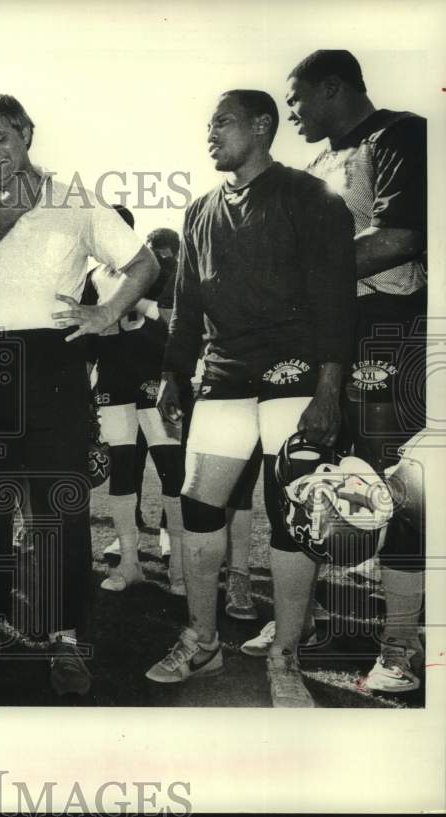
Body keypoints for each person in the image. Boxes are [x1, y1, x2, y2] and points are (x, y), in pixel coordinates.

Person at [0, 93, 159, 696]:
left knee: (60, 509)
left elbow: (145, 262)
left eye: (0, 139)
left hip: (51, 364)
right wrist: (11, 206)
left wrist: (107, 311)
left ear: (28, 133)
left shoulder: (77, 199)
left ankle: (66, 638)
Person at [146, 90, 356, 708]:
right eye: (208, 122)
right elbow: (187, 305)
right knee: (199, 507)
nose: (211, 132)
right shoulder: (200, 210)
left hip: (295, 371)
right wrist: (171, 374)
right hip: (226, 375)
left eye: (224, 122)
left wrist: (328, 386)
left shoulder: (309, 197)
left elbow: (336, 299)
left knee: (292, 513)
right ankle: (203, 640)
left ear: (263, 126)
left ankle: (286, 656)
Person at [282, 49, 427, 691]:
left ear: (333, 87)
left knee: (396, 488)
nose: (291, 113)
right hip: (328, 334)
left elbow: (399, 237)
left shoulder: (400, 133)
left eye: (297, 99)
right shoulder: (314, 163)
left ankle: (400, 647)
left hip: (388, 328)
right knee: (317, 480)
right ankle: (323, 625)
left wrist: (299, 281)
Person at [86, 221, 186, 596]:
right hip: (113, 381)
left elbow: (176, 320)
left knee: (171, 468)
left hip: (158, 380)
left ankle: (178, 564)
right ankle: (130, 562)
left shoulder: (157, 268)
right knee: (122, 470)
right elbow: (90, 338)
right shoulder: (94, 276)